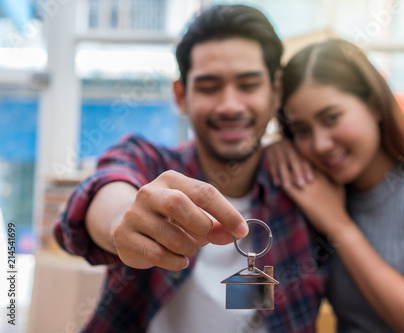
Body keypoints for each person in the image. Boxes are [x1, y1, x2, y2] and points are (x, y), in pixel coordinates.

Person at [53, 5, 330, 333]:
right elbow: (105, 189)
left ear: (275, 92)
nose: (230, 105)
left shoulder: (305, 185)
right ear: (181, 95)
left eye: (248, 85)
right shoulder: (151, 164)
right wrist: (122, 221)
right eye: (210, 87)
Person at [267, 38, 404, 332]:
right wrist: (271, 148)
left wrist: (339, 225)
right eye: (301, 130)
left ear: (374, 105)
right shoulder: (317, 191)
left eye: (332, 118)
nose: (320, 144)